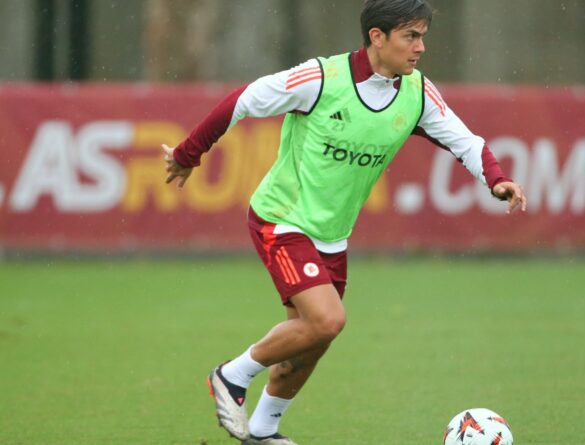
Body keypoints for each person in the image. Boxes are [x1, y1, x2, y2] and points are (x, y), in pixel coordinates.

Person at [162, 0, 527, 443]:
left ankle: (262, 430)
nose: (421, 48)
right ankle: (231, 376)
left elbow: (465, 141)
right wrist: (188, 153)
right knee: (328, 320)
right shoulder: (320, 79)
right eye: (411, 36)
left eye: (422, 36)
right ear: (377, 37)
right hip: (282, 218)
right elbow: (243, 100)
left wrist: (497, 179)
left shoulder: (416, 94)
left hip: (332, 236)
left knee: (314, 338)